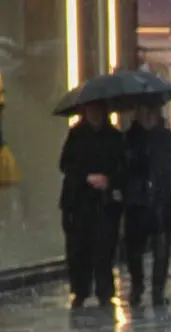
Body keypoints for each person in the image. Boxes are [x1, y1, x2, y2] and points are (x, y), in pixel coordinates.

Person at [59, 101, 126, 309]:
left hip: (104, 203)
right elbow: (65, 165)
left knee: (104, 248)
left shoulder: (114, 137)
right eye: (91, 111)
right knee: (79, 248)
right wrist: (86, 177)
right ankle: (80, 289)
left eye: (98, 110)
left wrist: (109, 180)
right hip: (78, 201)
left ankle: (104, 291)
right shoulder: (76, 135)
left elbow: (123, 167)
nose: (94, 114)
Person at [123, 98, 171, 308]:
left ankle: (158, 290)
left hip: (163, 200)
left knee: (162, 248)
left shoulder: (166, 138)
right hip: (137, 202)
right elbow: (125, 168)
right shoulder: (129, 138)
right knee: (134, 248)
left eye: (153, 110)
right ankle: (137, 285)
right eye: (145, 110)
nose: (149, 115)